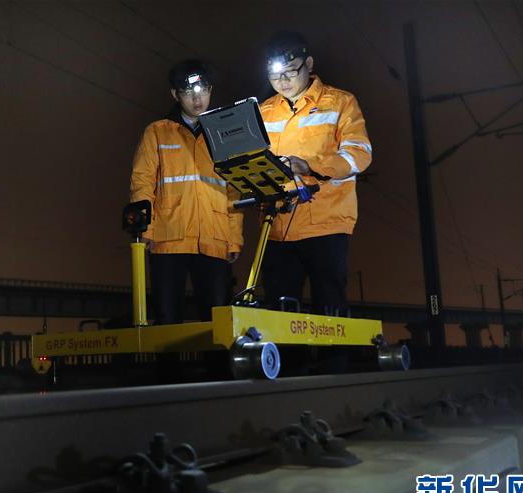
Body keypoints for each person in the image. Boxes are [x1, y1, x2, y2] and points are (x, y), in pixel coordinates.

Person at [258, 31, 372, 318]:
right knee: (280, 312)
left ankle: (333, 349)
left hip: (327, 224)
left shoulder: (341, 102)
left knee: (329, 308)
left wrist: (309, 165)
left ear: (308, 64)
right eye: (275, 75)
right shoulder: (263, 112)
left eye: (290, 71)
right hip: (278, 227)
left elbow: (359, 154)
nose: (282, 81)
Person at [129, 60, 243, 325]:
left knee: (216, 322)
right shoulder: (157, 132)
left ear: (210, 90)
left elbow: (234, 190)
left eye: (202, 90)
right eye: (188, 92)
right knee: (167, 319)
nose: (197, 98)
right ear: (175, 94)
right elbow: (142, 182)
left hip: (214, 238)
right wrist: (146, 230)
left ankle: (214, 357)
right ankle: (168, 356)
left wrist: (234, 238)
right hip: (168, 238)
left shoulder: (224, 133)